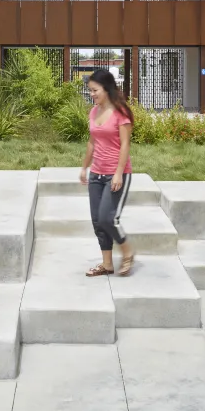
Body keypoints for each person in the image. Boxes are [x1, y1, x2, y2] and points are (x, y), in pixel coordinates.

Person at [80, 69, 135, 277]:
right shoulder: (94, 112)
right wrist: (85, 167)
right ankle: (107, 264)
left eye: (95, 90)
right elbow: (92, 142)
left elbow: (125, 145)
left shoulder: (121, 113)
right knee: (97, 220)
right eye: (90, 91)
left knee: (107, 217)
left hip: (116, 173)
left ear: (107, 88)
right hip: (96, 173)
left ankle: (127, 250)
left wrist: (119, 173)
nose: (92, 94)